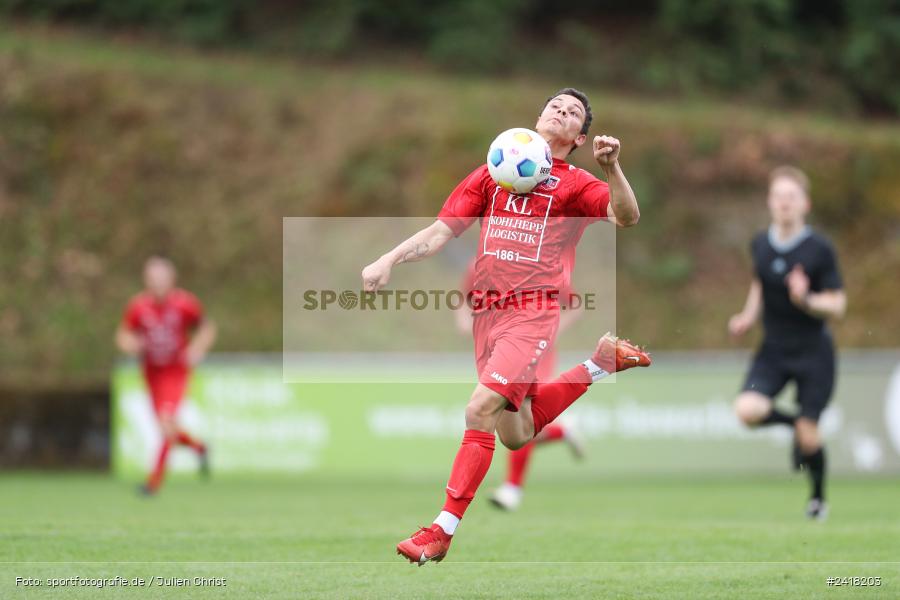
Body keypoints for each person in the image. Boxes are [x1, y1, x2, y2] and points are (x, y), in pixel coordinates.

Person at [361, 88, 651, 565]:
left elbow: (628, 216)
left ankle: (441, 530)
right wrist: (388, 258)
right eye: (555, 105)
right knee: (515, 432)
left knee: (478, 410)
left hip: (533, 311)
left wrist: (611, 167)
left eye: (573, 112)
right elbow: (439, 232)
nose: (561, 111)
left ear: (580, 137)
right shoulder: (495, 170)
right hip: (487, 314)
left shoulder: (576, 184)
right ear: (539, 116)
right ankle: (600, 365)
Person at [729, 166, 846, 520]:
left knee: (810, 439)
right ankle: (795, 424)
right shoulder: (760, 243)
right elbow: (760, 282)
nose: (784, 203)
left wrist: (807, 299)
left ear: (805, 204)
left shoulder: (820, 249)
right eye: (778, 196)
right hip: (774, 349)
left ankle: (817, 500)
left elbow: (838, 305)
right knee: (747, 411)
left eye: (791, 197)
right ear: (769, 201)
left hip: (814, 352)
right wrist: (748, 316)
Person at [454, 258, 586, 512]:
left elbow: (574, 305)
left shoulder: (538, 265)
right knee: (516, 421)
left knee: (517, 410)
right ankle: (563, 431)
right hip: (496, 351)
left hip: (534, 348)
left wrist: (554, 328)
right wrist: (464, 321)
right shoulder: (477, 267)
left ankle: (512, 488)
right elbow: (462, 300)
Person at [116, 256, 216, 495]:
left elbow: (206, 327)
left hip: (175, 371)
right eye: (153, 279)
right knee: (166, 428)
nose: (158, 284)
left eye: (162, 279)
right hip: (151, 372)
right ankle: (199, 447)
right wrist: (132, 345)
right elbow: (123, 335)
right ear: (146, 281)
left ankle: (153, 483)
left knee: (165, 423)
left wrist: (197, 349)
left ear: (172, 280)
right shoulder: (138, 306)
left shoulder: (185, 304)